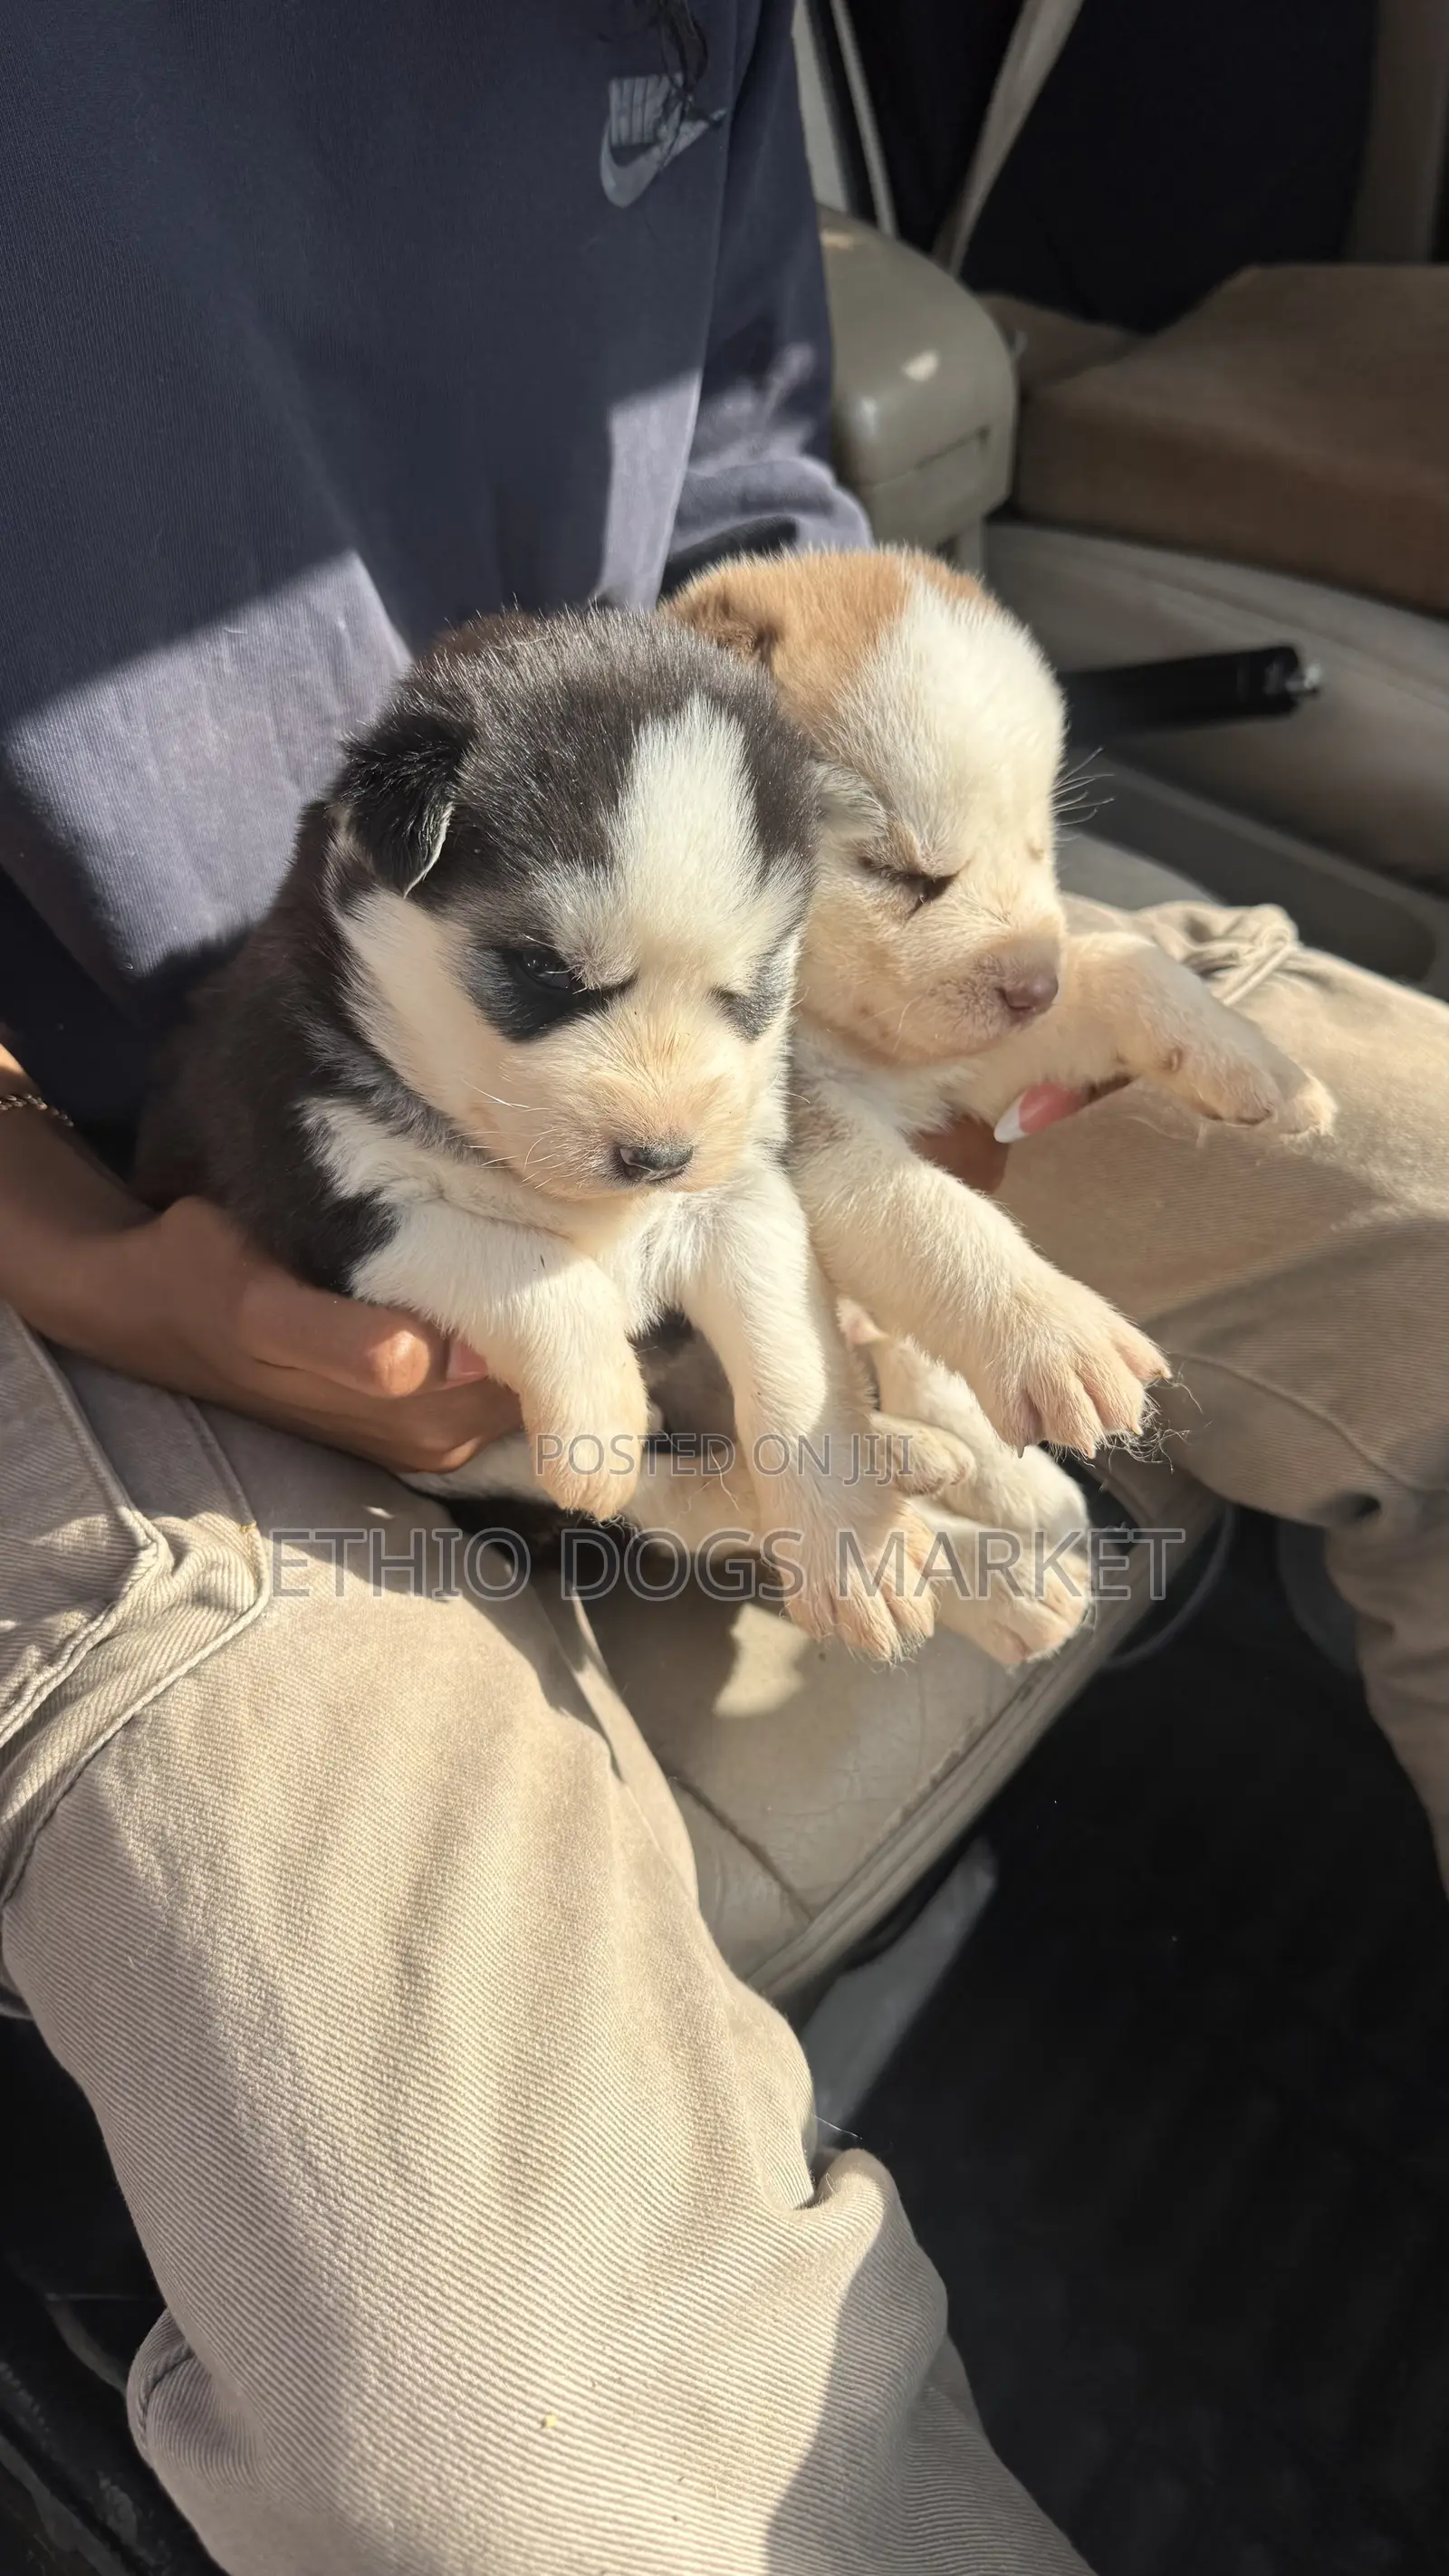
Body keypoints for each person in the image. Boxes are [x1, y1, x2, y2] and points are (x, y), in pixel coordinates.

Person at [2, 6, 1446, 2571]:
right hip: (141, 1141)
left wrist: (960, 936)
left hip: (754, 953)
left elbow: (762, 509)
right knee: (540, 2463)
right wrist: (112, 1267)